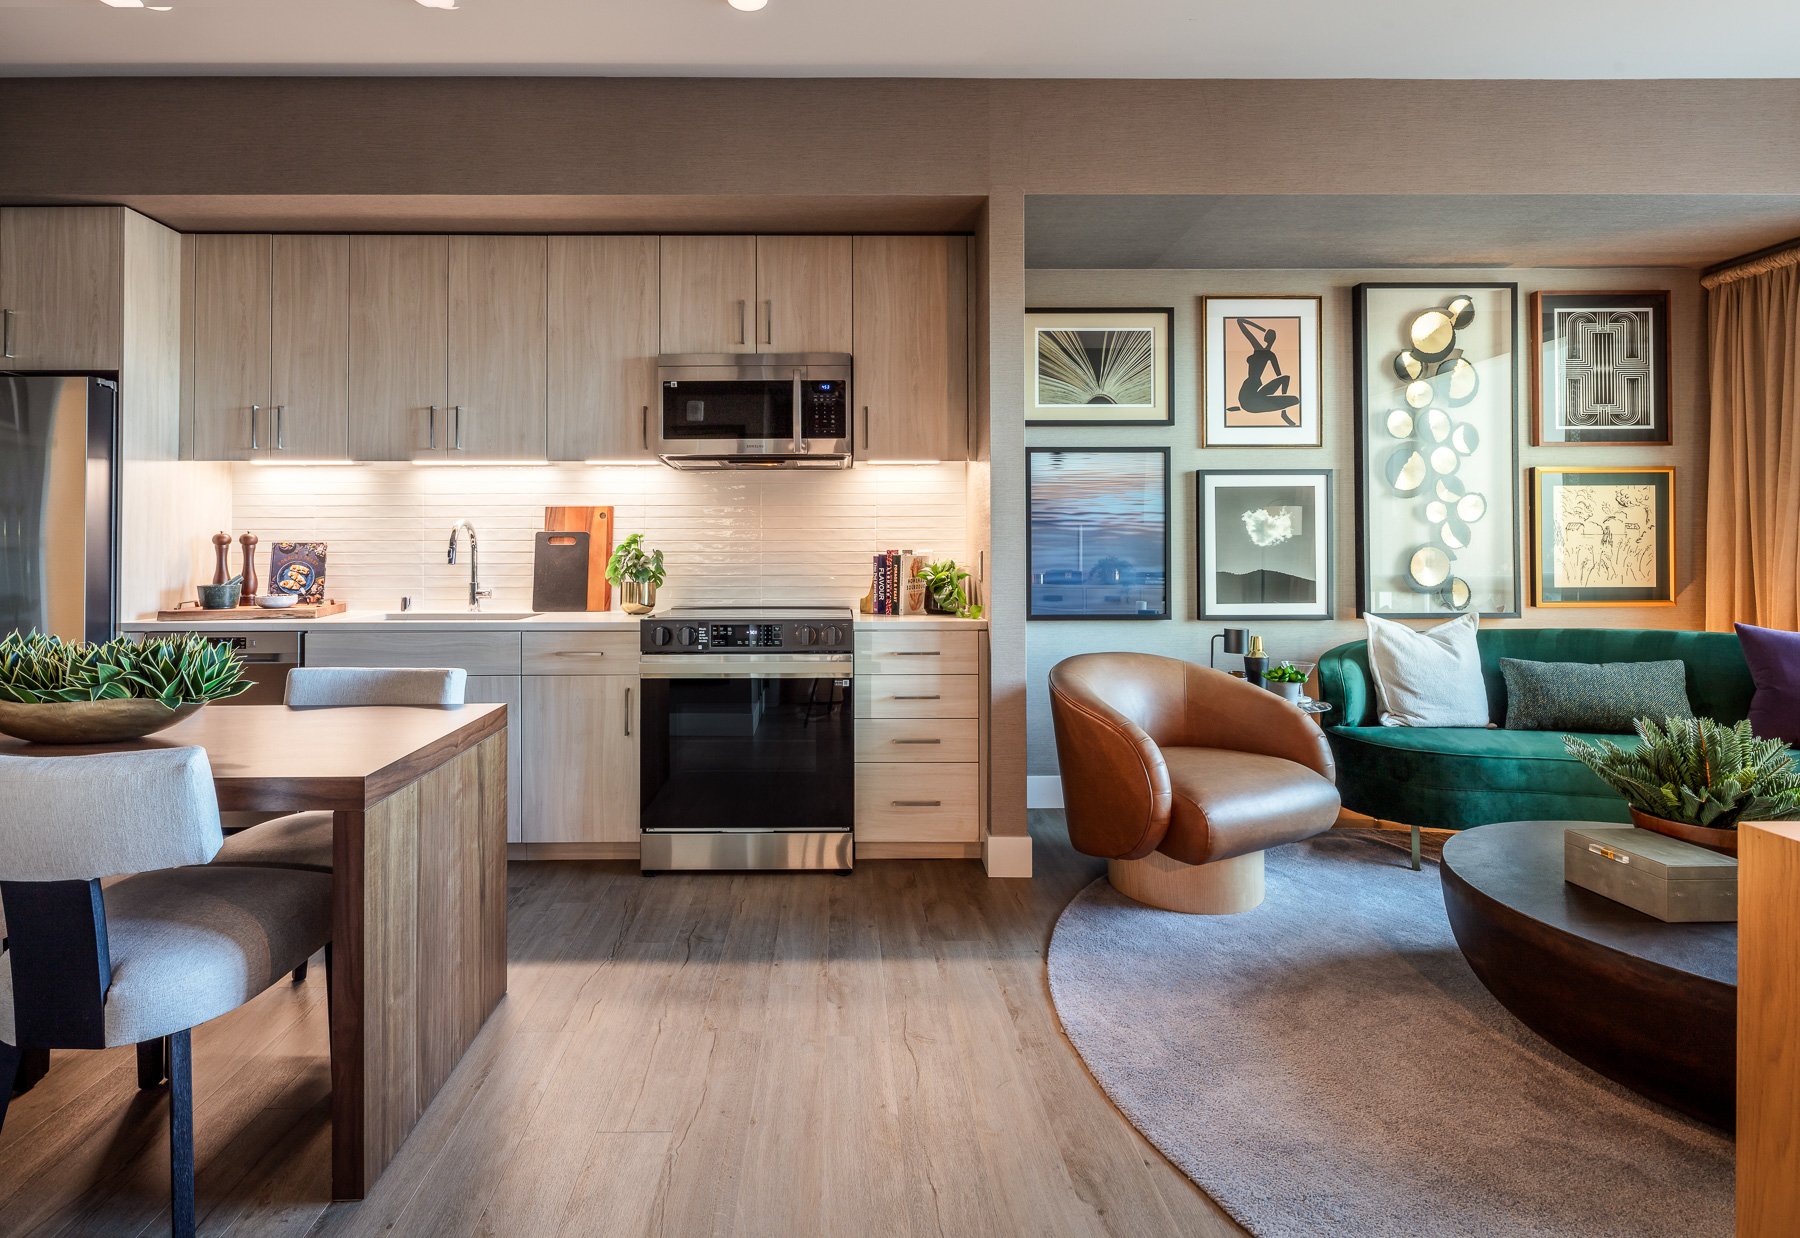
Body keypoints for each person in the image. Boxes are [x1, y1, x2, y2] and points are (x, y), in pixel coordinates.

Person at [1227, 318, 1302, 424]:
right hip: (1249, 394)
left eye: (1267, 335)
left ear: (1266, 338)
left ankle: (1283, 412)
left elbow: (1240, 321)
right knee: (1288, 386)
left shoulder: (1261, 350)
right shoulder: (1267, 353)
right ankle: (1283, 412)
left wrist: (1261, 329)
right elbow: (1240, 321)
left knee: (1294, 398)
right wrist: (1262, 329)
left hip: (1254, 391)